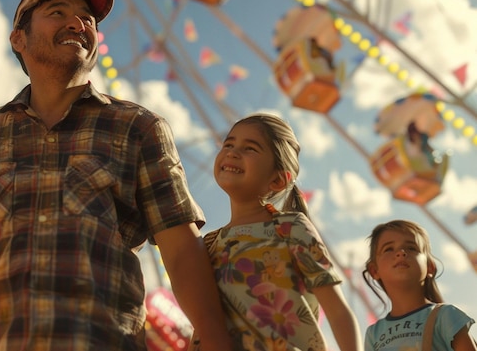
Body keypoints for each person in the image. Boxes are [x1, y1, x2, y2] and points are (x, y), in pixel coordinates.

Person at [0, 0, 232, 351]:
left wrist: (218, 340)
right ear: (18, 38)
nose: (77, 22)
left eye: (87, 18)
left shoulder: (138, 127)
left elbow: (181, 248)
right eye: (57, 11)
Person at [203, 113, 363, 350]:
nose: (232, 152)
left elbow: (337, 311)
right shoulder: (208, 244)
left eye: (250, 148)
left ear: (278, 180)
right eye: (228, 143)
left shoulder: (289, 228)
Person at [362, 219, 477, 351]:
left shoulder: (445, 315)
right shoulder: (373, 333)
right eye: (388, 249)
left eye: (411, 248)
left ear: (430, 267)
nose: (401, 253)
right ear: (374, 270)